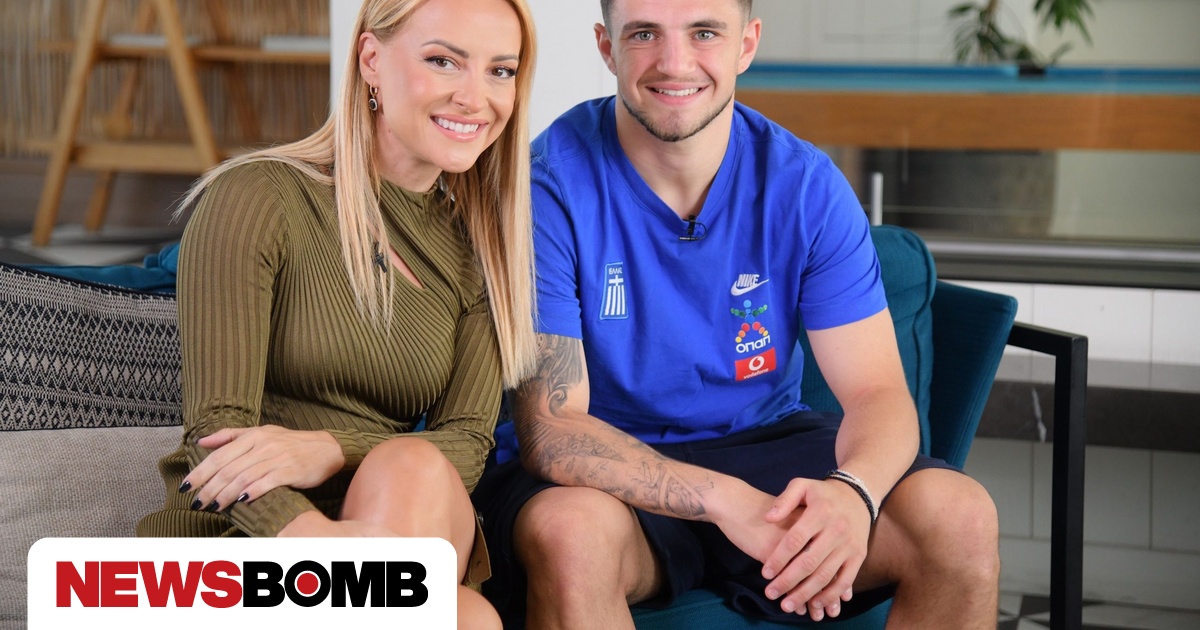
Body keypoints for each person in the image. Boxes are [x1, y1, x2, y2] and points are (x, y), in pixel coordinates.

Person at [471, 0, 1001, 628]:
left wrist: (852, 493)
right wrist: (726, 502)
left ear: (746, 44)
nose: (675, 63)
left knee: (959, 517)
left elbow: (878, 393)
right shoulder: (545, 186)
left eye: (704, 32)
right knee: (569, 534)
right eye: (644, 34)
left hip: (767, 443)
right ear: (607, 47)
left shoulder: (806, 185)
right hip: (608, 469)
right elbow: (552, 427)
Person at [136, 0, 539, 626]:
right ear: (371, 59)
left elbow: (465, 445)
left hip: (402, 521)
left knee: (414, 466)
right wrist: (314, 543)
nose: (475, 97)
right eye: (443, 61)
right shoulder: (258, 196)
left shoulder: (480, 253)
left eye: (500, 71)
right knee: (469, 618)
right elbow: (212, 436)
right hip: (249, 532)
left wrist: (330, 449)